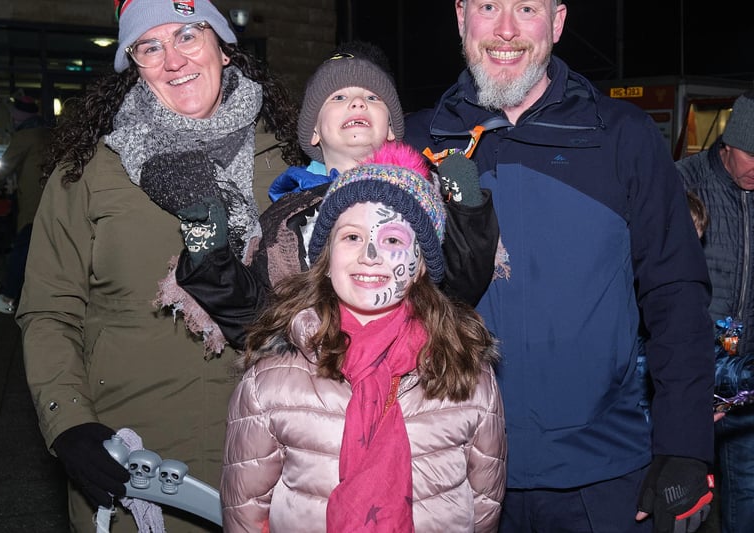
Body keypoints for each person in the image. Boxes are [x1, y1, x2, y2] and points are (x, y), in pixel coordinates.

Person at [403, 1, 716, 532]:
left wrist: (685, 444)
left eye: (526, 7)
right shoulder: (416, 142)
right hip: (446, 474)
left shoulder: (622, 135)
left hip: (603, 475)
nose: (505, 30)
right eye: (487, 7)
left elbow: (676, 292)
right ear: (460, 18)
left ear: (558, 21)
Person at [15, 0, 301, 530]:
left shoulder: (291, 166)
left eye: (189, 35)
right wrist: (69, 423)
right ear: (134, 66)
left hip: (275, 458)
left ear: (223, 49)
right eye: (150, 46)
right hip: (133, 463)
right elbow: (48, 311)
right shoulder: (89, 173)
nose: (173, 59)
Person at [221, 142, 507, 532]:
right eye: (351, 237)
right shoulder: (271, 381)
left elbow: (484, 504)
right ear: (325, 259)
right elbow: (246, 511)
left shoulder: (465, 371)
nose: (369, 254)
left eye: (393, 240)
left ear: (422, 265)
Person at [173, 41, 500, 350]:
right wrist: (210, 258)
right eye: (338, 98)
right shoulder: (285, 217)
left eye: (373, 98)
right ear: (314, 131)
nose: (357, 102)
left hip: (407, 378)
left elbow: (456, 290)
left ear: (390, 128)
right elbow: (254, 316)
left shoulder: (419, 198)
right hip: (311, 382)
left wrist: (467, 207)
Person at [677, 90, 754, 533]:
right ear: (725, 147)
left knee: (745, 490)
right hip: (691, 376)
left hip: (745, 383)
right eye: (750, 154)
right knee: (687, 497)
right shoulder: (681, 182)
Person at [0, 95, 50, 314]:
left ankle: (9, 297)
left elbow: (4, 168)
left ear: (19, 117)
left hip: (34, 206)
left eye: (13, 115)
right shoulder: (47, 133)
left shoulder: (24, 137)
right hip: (51, 203)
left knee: (22, 249)